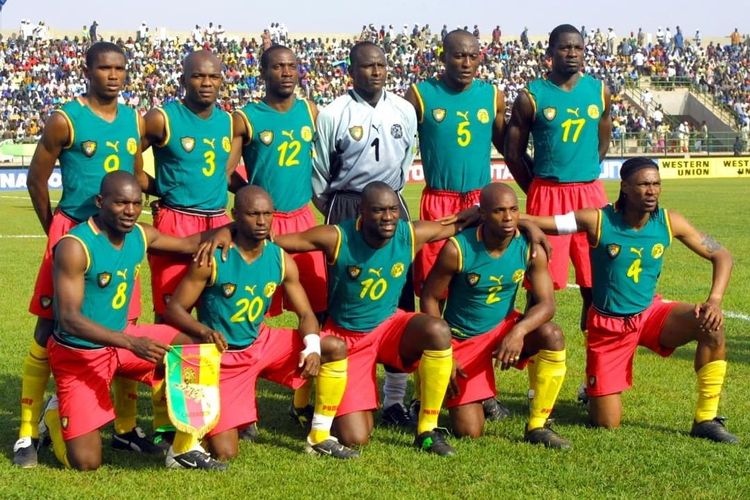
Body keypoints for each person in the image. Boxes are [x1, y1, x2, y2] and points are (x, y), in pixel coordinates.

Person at [523, 157, 738, 443]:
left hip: (650, 314)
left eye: (656, 184)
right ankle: (593, 392)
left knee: (711, 326)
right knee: (607, 423)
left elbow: (721, 254)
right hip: (608, 327)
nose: (652, 191)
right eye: (644, 184)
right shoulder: (598, 219)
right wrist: (486, 213)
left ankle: (706, 419)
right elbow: (543, 223)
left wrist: (715, 300)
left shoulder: (670, 221)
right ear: (625, 187)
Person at [16, 42, 153, 467]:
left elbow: (133, 175)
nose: (113, 75)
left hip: (116, 236)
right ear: (88, 70)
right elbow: (37, 182)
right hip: (74, 231)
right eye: (105, 68)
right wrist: (57, 232)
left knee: (124, 321)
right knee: (47, 328)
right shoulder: (65, 119)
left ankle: (126, 430)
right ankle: (26, 433)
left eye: (120, 69)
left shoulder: (134, 119)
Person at [43, 171, 231, 471]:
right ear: (100, 201)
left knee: (193, 346)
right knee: (86, 462)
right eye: (120, 203)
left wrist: (226, 230)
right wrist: (131, 342)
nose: (130, 211)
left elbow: (186, 244)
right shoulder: (75, 246)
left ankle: (182, 446)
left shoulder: (141, 234)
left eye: (135, 203)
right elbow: (68, 319)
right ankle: (53, 417)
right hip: (79, 354)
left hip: (121, 343)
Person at [274, 182, 478, 456]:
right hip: (348, 338)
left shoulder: (409, 234)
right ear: (361, 212)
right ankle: (304, 399)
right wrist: (230, 232)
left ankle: (426, 430)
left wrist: (477, 210)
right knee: (356, 436)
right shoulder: (336, 237)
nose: (388, 217)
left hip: (389, 327)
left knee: (437, 330)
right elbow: (277, 241)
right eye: (379, 210)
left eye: (393, 209)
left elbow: (453, 226)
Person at [164, 185, 359, 464]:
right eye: (253, 214)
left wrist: (312, 346)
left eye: (267, 214)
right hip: (225, 356)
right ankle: (187, 439)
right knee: (226, 451)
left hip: (262, 343)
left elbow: (306, 314)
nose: (261, 221)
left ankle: (319, 437)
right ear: (235, 216)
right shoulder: (213, 257)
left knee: (333, 347)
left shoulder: (280, 258)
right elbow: (175, 309)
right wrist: (204, 331)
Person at [312, 41, 419, 428]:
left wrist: (390, 201)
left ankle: (393, 399)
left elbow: (406, 159)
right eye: (366, 66)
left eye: (381, 65)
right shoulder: (333, 113)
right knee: (336, 298)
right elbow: (320, 172)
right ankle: (323, 390)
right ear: (351, 71)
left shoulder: (404, 110)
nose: (375, 72)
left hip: (391, 205)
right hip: (345, 203)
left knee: (400, 297)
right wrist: (337, 212)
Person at [404, 29, 508, 421]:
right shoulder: (420, 94)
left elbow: (507, 144)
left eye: (472, 57)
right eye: (457, 56)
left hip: (482, 205)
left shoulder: (492, 95)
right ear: (443, 56)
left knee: (480, 297)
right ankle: (425, 388)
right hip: (441, 203)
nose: (465, 63)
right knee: (434, 295)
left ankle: (483, 389)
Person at [421, 183, 569, 448]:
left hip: (504, 328)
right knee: (470, 430)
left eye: (513, 210)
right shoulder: (457, 249)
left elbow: (547, 304)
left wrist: (518, 332)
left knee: (552, 335)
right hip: (463, 339)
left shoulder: (529, 246)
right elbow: (430, 297)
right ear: (483, 214)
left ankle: (538, 425)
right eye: (499, 211)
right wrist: (446, 354)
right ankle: (430, 385)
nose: (509, 217)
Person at [505, 24, 612, 353]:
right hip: (547, 194)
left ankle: (592, 378)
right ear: (549, 54)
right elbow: (513, 152)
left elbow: (603, 138)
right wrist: (536, 187)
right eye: (565, 48)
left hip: (590, 194)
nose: (572, 53)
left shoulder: (599, 90)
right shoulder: (531, 95)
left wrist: (587, 171)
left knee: (596, 287)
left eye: (578, 48)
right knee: (539, 289)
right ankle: (537, 380)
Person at [232, 45, 326, 319]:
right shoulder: (246, 117)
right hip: (262, 223)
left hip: (302, 218)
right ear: (262, 72)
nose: (286, 73)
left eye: (291, 66)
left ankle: (316, 358)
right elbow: (226, 171)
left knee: (315, 304)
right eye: (277, 67)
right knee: (255, 307)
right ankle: (253, 360)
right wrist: (250, 195)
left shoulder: (309, 110)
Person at [143, 50, 234, 322]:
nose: (206, 82)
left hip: (219, 222)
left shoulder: (228, 121)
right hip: (176, 220)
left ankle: (212, 367)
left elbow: (224, 172)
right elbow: (129, 158)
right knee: (170, 313)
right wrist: (161, 187)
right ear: (183, 80)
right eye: (198, 76)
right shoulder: (162, 117)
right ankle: (164, 367)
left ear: (221, 81)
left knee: (217, 313)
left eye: (213, 77)